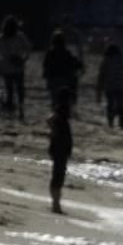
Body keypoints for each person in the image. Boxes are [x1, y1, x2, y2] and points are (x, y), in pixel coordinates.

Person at [0, 16, 31, 119]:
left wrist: (0, 62)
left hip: (7, 67)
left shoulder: (1, 38)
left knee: (10, 89)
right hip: (17, 67)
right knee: (19, 89)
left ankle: (12, 111)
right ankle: (19, 110)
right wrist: (24, 59)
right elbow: (28, 49)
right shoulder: (19, 36)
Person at [48, 87, 73, 216]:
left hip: (58, 147)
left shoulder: (59, 112)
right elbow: (55, 129)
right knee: (58, 176)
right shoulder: (61, 113)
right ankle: (55, 204)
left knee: (57, 175)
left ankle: (56, 203)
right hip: (60, 148)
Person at [42, 29, 84, 105]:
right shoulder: (67, 53)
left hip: (54, 81)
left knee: (54, 101)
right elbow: (77, 64)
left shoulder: (50, 53)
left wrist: (47, 77)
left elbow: (45, 67)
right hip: (65, 81)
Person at [95, 42, 123, 127]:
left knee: (110, 103)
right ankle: (122, 123)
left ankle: (110, 121)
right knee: (121, 104)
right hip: (122, 85)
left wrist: (99, 89)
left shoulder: (106, 60)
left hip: (110, 85)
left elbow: (101, 75)